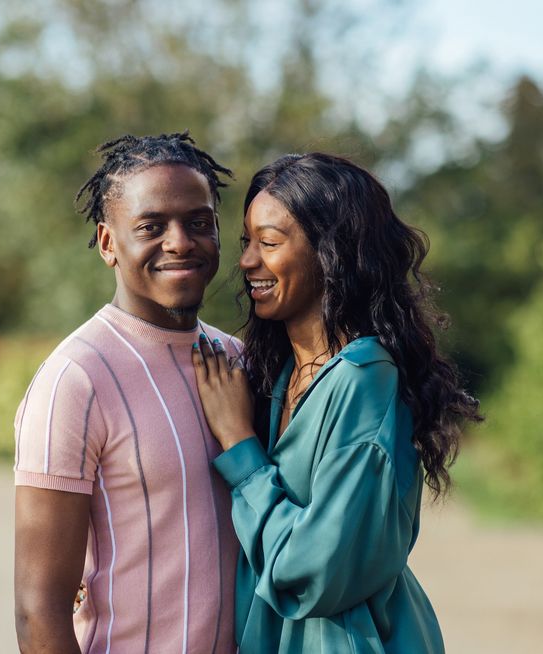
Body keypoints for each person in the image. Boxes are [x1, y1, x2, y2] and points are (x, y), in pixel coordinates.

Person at [191, 153, 482, 653]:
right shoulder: (276, 375)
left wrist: (240, 445)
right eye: (246, 242)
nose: (246, 261)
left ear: (332, 253)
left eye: (269, 242)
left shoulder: (364, 380)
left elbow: (316, 570)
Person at [13, 132, 241, 654]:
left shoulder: (240, 361)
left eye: (199, 221)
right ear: (108, 243)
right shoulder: (75, 379)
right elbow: (37, 612)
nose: (181, 241)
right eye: (151, 226)